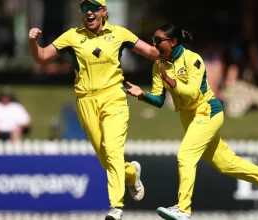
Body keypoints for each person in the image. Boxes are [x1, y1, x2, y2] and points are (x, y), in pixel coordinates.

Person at [124, 24, 258, 220]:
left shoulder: (192, 59)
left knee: (185, 155)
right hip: (188, 118)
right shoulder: (158, 65)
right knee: (225, 164)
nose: (154, 45)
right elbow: (160, 100)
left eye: (158, 40)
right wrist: (143, 95)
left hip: (208, 112)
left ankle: (183, 209)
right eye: (153, 40)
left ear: (173, 42)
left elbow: (193, 92)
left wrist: (171, 81)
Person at [28, 1, 160, 219]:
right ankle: (131, 173)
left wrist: (173, 48)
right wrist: (33, 42)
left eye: (94, 8)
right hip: (86, 101)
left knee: (113, 150)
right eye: (84, 9)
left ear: (104, 12)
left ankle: (116, 206)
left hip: (114, 97)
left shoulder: (120, 34)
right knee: (105, 158)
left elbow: (152, 52)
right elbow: (41, 57)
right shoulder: (71, 36)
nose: (89, 12)